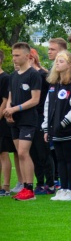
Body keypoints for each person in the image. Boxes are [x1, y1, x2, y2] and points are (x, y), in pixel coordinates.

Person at [5, 42, 42, 201]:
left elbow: (35, 100)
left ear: (27, 56)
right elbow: (10, 96)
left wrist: (15, 109)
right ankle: (24, 187)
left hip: (28, 119)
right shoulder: (13, 76)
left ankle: (29, 190)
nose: (14, 58)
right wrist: (8, 110)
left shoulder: (34, 74)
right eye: (13, 55)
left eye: (17, 55)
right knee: (19, 154)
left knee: (23, 152)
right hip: (14, 120)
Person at [43, 51, 71, 201]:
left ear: (69, 64)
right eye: (56, 61)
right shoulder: (53, 84)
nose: (57, 63)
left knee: (69, 159)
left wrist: (65, 122)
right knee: (60, 159)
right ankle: (63, 189)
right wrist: (46, 127)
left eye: (61, 61)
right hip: (54, 129)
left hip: (67, 129)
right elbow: (47, 106)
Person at [29, 49, 56, 195]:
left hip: (41, 117)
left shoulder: (43, 75)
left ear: (31, 58)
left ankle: (50, 183)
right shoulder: (26, 75)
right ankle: (39, 183)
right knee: (33, 152)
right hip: (29, 117)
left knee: (43, 151)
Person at [0, 50, 20, 196]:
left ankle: (6, 186)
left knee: (3, 153)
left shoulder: (5, 78)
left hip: (3, 121)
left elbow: (5, 101)